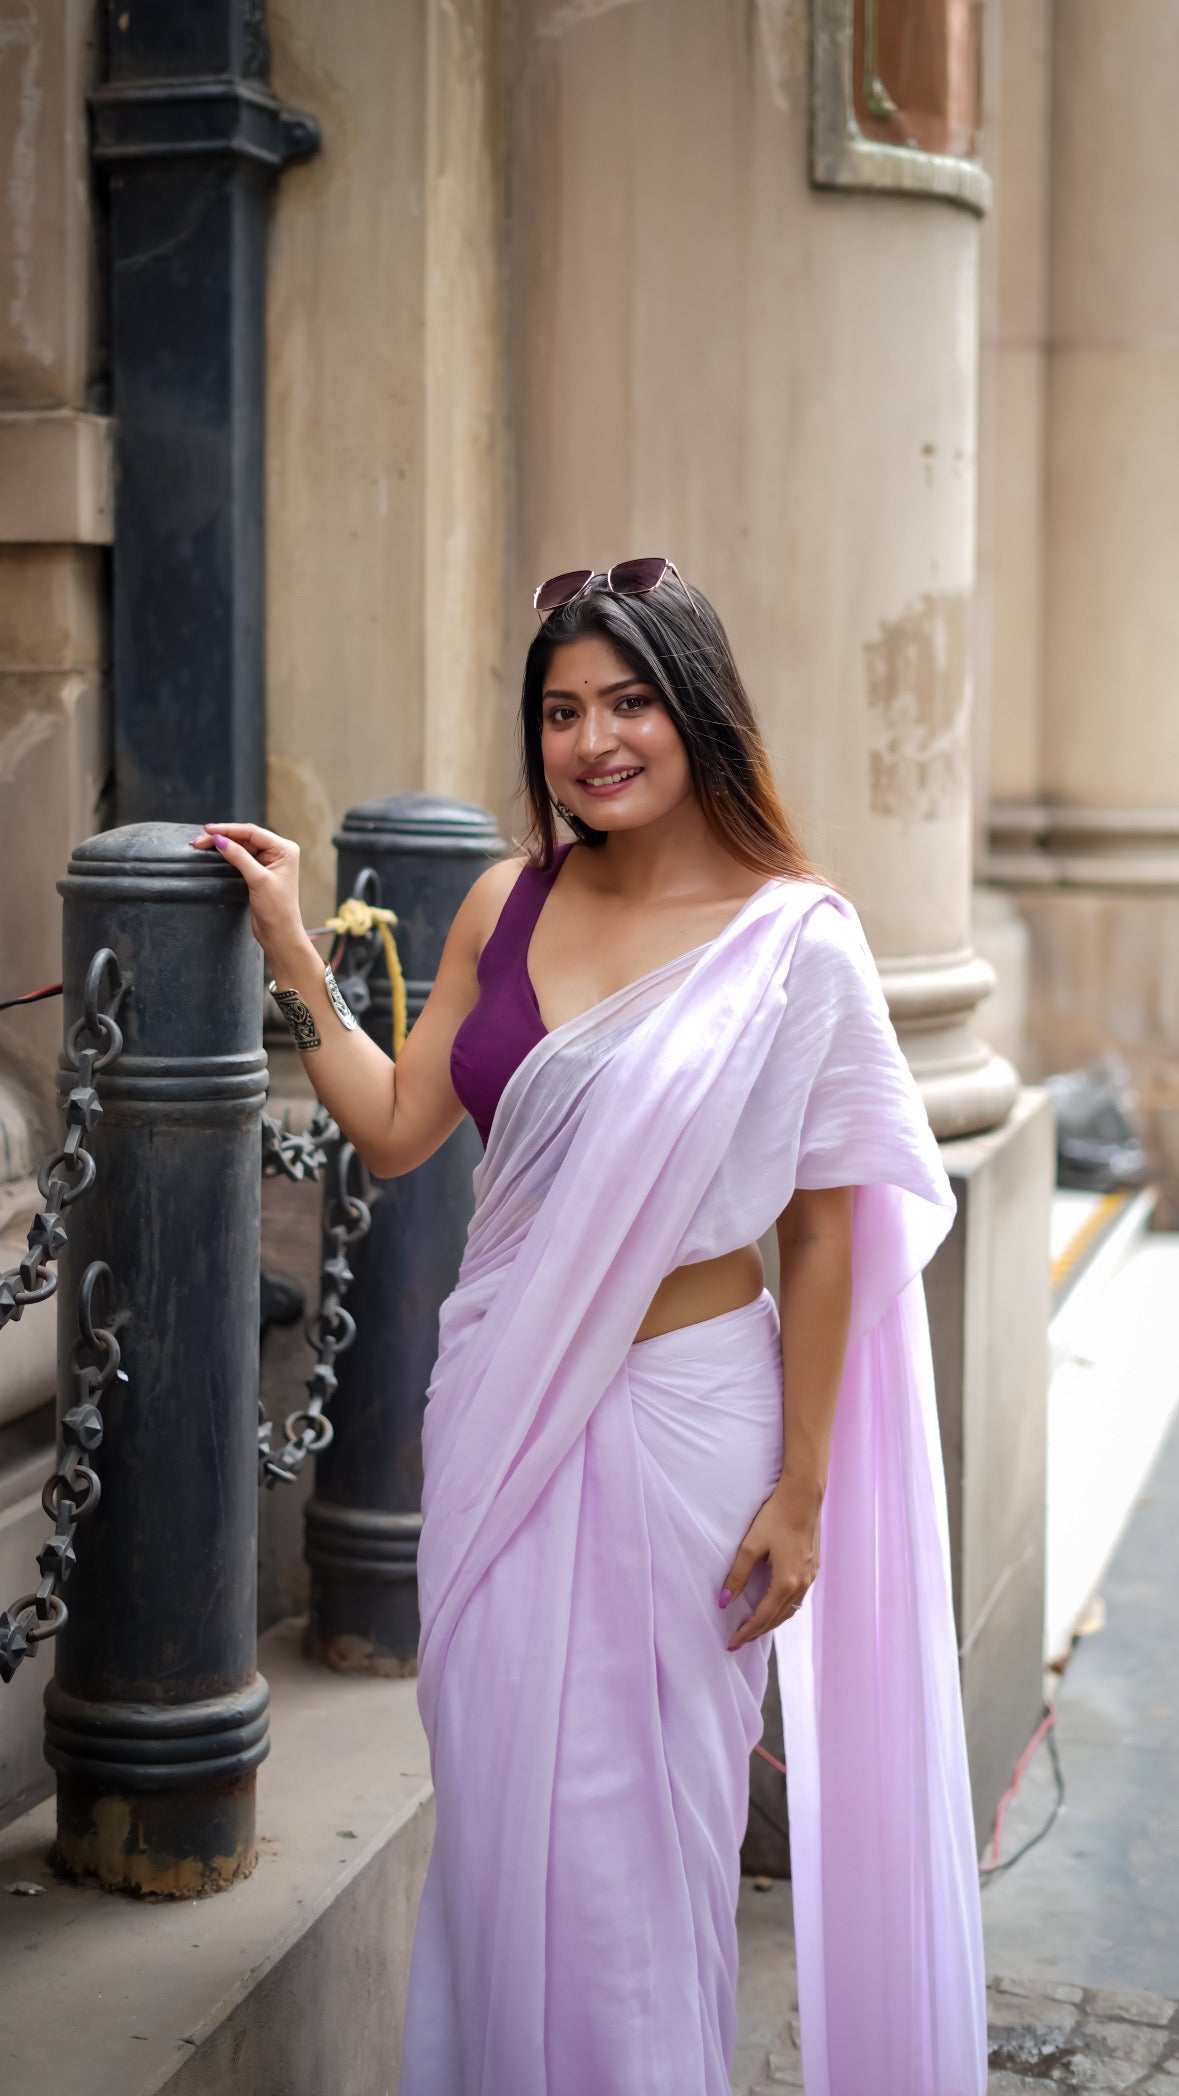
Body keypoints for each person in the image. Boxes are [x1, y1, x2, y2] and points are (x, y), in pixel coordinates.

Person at [192, 559, 987, 2096]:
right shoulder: (508, 897)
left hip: (692, 1427)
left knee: (639, 1854)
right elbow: (400, 1129)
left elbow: (828, 1226)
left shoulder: (793, 941)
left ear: (697, 713)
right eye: (561, 712)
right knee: (501, 1832)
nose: (592, 740)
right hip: (500, 1413)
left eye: (628, 702)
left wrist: (805, 1491)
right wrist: (294, 947)